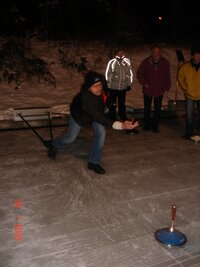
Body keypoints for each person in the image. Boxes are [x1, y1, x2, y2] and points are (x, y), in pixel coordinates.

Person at [47, 71, 139, 174]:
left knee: (101, 132)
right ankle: (54, 144)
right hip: (80, 116)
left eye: (100, 85)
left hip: (94, 114)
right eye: (95, 86)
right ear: (88, 88)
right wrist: (121, 125)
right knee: (70, 137)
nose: (99, 88)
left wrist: (108, 101)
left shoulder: (100, 91)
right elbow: (98, 116)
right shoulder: (87, 100)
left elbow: (102, 98)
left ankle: (93, 162)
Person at [136, 45, 171, 133]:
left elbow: (167, 75)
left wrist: (167, 86)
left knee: (157, 109)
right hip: (148, 89)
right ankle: (147, 125)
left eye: (158, 52)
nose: (156, 54)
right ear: (152, 53)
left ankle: (155, 126)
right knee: (147, 108)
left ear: (160, 53)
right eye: (154, 52)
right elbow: (139, 74)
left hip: (159, 89)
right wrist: (144, 83)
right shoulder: (146, 62)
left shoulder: (165, 62)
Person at [178, 47, 200, 140]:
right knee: (189, 116)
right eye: (197, 55)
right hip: (190, 95)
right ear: (192, 56)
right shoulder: (185, 67)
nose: (199, 57)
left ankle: (198, 131)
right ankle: (189, 133)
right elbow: (180, 78)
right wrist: (186, 88)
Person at [105, 50, 133, 121]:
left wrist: (129, 84)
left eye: (122, 52)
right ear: (116, 53)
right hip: (113, 87)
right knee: (112, 103)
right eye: (119, 52)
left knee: (122, 103)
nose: (121, 54)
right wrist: (109, 84)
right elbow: (107, 74)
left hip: (123, 87)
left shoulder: (127, 62)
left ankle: (123, 116)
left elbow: (129, 74)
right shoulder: (112, 62)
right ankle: (112, 117)